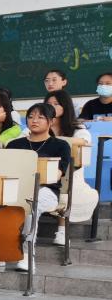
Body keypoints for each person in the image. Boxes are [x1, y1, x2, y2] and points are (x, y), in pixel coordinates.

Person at [7, 103, 73, 259]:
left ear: (51, 121)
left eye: (40, 117)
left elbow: (57, 174)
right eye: (30, 117)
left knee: (32, 205)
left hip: (47, 191)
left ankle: (26, 254)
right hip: (17, 190)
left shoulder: (60, 145)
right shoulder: (14, 145)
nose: (34, 120)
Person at [47, 90, 99, 227]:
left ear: (65, 107)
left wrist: (49, 140)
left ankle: (62, 230)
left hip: (71, 175)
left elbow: (83, 143)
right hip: (45, 174)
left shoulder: (78, 129)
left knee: (65, 189)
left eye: (56, 104)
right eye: (48, 104)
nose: (51, 107)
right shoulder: (39, 126)